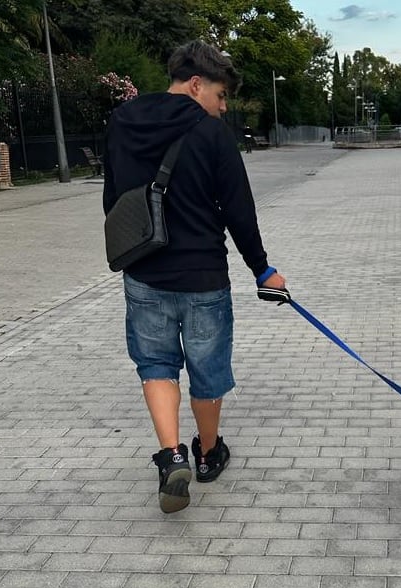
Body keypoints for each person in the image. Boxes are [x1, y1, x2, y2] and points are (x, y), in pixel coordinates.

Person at [103, 40, 287, 514]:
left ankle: (170, 455)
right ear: (195, 83)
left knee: (156, 365)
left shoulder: (122, 124)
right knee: (207, 372)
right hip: (204, 275)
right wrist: (262, 269)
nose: (223, 107)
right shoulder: (211, 133)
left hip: (145, 272)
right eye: (221, 96)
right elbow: (239, 209)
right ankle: (207, 454)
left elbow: (112, 200)